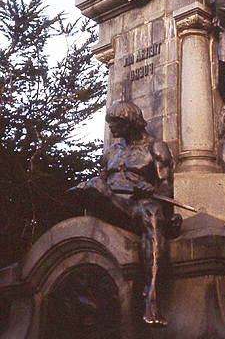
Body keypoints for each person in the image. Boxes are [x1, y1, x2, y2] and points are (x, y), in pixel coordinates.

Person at [73, 100, 181, 327]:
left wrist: (151, 189)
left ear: (130, 122)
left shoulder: (156, 148)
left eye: (115, 124)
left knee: (152, 212)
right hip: (110, 201)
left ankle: (151, 295)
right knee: (92, 188)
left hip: (136, 205)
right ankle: (83, 283)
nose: (111, 129)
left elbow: (166, 187)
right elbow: (102, 180)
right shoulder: (112, 151)